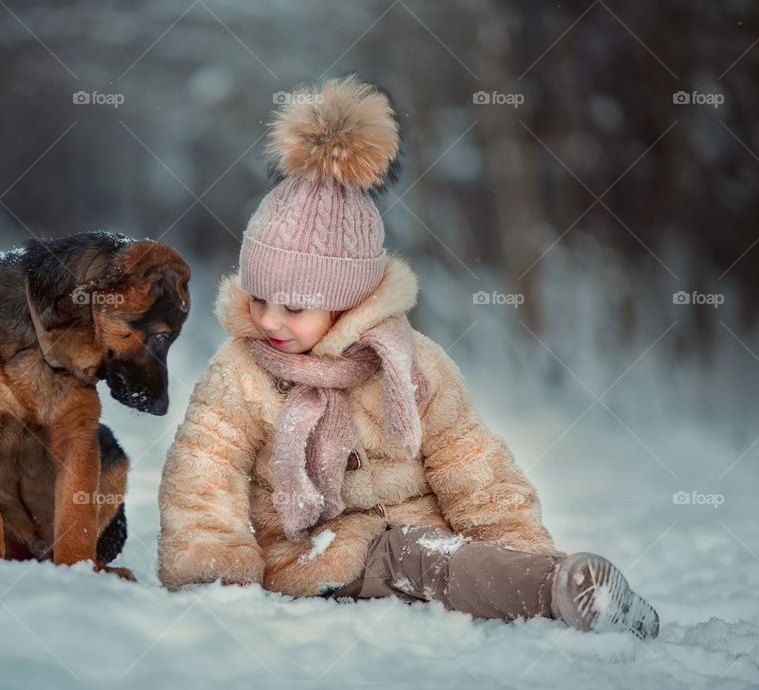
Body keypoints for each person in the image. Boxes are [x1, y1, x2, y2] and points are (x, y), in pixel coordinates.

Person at [157, 75, 658, 639]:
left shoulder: (412, 361)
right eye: (260, 298)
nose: (270, 321)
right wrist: (213, 569)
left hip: (431, 542)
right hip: (318, 555)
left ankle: (557, 584)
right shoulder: (241, 371)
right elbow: (204, 470)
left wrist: (520, 551)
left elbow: (470, 461)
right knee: (411, 554)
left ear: (348, 300)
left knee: (433, 553)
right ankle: (555, 592)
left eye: (294, 306)